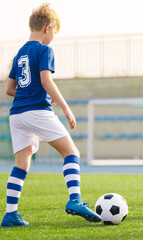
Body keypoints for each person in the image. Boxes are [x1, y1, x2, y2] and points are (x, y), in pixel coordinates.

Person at [1, 3, 101, 227]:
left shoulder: (19, 54)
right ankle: (75, 200)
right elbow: (46, 80)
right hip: (37, 111)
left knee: (21, 165)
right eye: (54, 32)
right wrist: (66, 108)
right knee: (71, 152)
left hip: (17, 115)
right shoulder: (44, 50)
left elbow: (9, 89)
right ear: (47, 28)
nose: (53, 38)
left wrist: (32, 92)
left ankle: (10, 214)